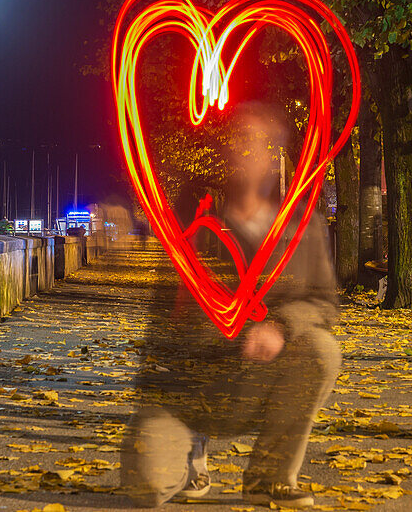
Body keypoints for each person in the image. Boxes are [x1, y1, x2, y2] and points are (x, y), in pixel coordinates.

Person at [121, 102, 341, 508]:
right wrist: (156, 393)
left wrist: (280, 326)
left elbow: (323, 303)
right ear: (225, 154)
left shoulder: (301, 227)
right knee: (146, 486)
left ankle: (269, 477)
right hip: (191, 389)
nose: (248, 153)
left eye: (260, 143)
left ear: (276, 156)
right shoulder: (196, 228)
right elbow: (162, 322)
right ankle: (187, 453)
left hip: (258, 381)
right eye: (239, 142)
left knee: (322, 350)